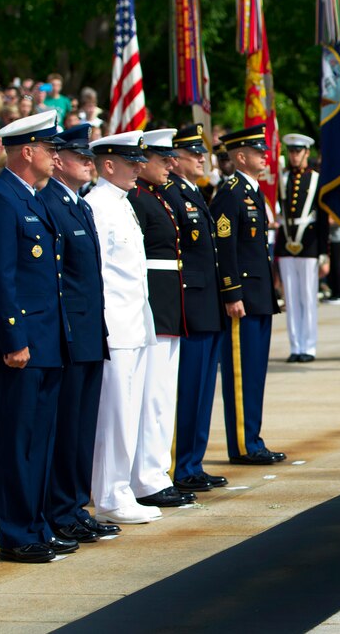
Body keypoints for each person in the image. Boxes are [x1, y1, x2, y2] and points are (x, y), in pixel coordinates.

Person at [0, 110, 75, 562]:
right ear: (27, 151)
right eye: (51, 149)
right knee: (19, 440)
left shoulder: (30, 199)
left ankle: (37, 524)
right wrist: (13, 339)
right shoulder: (0, 201)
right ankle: (17, 534)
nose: (57, 156)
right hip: (22, 344)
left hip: (47, 341)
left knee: (41, 440)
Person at [38, 123, 119, 544]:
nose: (88, 164)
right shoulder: (49, 202)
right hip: (69, 333)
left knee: (83, 426)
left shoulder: (80, 205)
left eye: (91, 158)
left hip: (89, 331)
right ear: (59, 161)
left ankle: (75, 505)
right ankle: (60, 508)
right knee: (66, 427)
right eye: (81, 158)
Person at [87, 130, 164, 525]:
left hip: (134, 322)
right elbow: (96, 274)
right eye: (131, 163)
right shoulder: (98, 205)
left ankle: (120, 489)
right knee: (114, 414)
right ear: (109, 165)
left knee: (129, 412)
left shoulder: (122, 203)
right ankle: (110, 495)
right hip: (113, 326)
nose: (138, 169)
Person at [125, 129, 194, 507]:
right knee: (151, 395)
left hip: (168, 303)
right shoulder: (136, 199)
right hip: (153, 303)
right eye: (162, 158)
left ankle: (154, 472)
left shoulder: (156, 197)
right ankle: (146, 478)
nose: (170, 164)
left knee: (162, 395)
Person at [210, 124, 286, 465]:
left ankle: (253, 439)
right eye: (258, 152)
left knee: (255, 372)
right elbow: (225, 247)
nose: (264, 156)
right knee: (241, 374)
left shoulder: (253, 191)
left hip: (259, 295)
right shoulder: (230, 192)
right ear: (240, 157)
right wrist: (231, 292)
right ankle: (243, 444)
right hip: (242, 297)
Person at [161, 124, 229, 492]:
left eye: (202, 153)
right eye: (194, 154)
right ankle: (178, 465)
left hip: (207, 304)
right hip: (190, 305)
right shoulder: (170, 194)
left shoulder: (193, 192)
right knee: (187, 389)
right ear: (175, 160)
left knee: (203, 391)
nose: (202, 158)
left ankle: (193, 462)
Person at [276, 133, 328, 362]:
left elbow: (323, 217)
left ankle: (309, 346)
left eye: (298, 152)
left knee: (307, 296)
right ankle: (295, 346)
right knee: (291, 298)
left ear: (307, 153)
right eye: (291, 152)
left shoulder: (316, 179)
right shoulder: (283, 178)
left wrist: (324, 251)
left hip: (309, 243)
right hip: (287, 243)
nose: (294, 156)